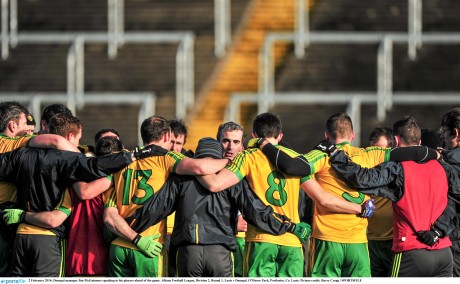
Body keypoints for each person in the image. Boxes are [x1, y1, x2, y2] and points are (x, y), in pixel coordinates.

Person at [250, 112, 439, 277]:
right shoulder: (370, 154)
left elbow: (291, 166)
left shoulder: (321, 155)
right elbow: (410, 152)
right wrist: (436, 154)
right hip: (358, 241)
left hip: (327, 239)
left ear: (326, 135)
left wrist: (263, 144)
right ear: (353, 135)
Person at [196, 112, 367, 277]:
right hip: (292, 242)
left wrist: (193, 167)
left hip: (261, 240)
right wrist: (360, 208)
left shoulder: (248, 157)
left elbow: (215, 184)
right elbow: (322, 198)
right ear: (280, 136)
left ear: (255, 135)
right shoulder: (296, 159)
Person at [126, 137, 311, 277]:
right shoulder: (228, 178)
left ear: (197, 155)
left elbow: (157, 207)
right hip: (220, 251)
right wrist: (287, 226)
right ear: (219, 155)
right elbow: (254, 208)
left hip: (188, 251)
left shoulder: (180, 178)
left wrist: (127, 227)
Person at [0, 112, 135, 277]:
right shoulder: (68, 162)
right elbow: (86, 184)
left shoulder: (21, 154)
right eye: (78, 139)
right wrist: (125, 163)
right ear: (70, 137)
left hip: (21, 236)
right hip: (50, 239)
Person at [325, 115, 456, 277]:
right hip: (443, 253)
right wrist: (438, 231)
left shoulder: (398, 169)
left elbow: (363, 179)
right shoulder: (443, 168)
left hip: (411, 251)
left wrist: (337, 157)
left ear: (395, 140)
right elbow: (454, 204)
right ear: (420, 142)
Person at [102, 115, 230, 277]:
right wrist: (228, 162)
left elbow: (109, 216)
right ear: (166, 136)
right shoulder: (166, 158)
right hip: (149, 246)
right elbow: (201, 167)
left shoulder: (123, 160)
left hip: (118, 247)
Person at [0, 102, 79, 276]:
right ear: (12, 126)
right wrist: (84, 161)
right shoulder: (21, 144)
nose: (29, 131)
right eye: (25, 126)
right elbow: (56, 141)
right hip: (13, 221)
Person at [66, 135, 125, 276]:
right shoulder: (117, 182)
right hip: (100, 259)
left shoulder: (75, 176)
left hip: (74, 259)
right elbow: (85, 193)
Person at [216, 121, 247, 277]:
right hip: (217, 244)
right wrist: (234, 224)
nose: (230, 147)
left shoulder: (250, 171)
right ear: (218, 143)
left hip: (245, 243)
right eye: (226, 140)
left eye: (236, 142)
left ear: (242, 146)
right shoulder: (208, 172)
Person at [366, 127, 394, 277]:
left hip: (393, 241)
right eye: (372, 149)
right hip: (370, 241)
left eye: (380, 149)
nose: (375, 154)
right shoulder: (363, 170)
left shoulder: (397, 170)